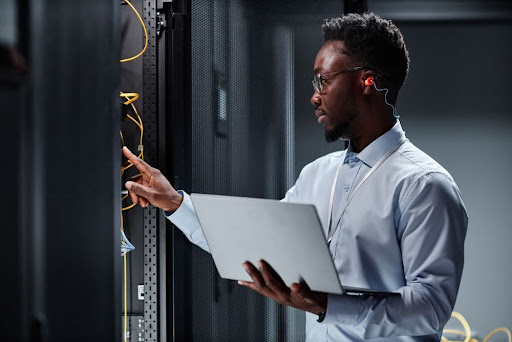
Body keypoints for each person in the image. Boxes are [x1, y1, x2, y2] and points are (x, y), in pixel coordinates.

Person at [123, 12, 468, 342]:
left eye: (324, 80)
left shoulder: (424, 185)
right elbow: (252, 244)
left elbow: (431, 308)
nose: (314, 96)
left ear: (368, 81)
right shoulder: (317, 175)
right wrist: (175, 203)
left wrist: (327, 305)